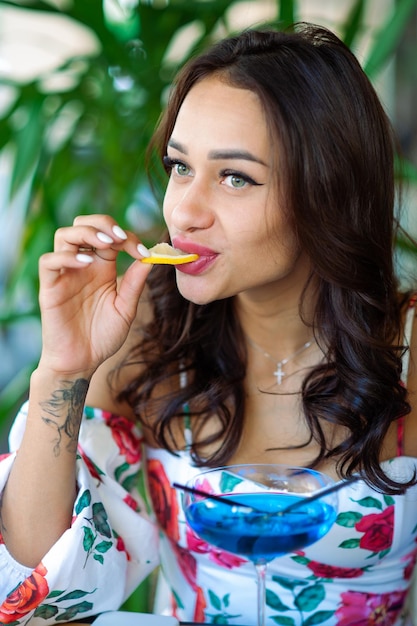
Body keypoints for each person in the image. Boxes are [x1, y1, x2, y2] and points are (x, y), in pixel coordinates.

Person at [0, 21, 417, 626]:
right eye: (179, 166)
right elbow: (38, 593)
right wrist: (63, 369)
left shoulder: (407, 349)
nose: (184, 213)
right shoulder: (149, 326)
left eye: (235, 177)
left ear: (327, 192)